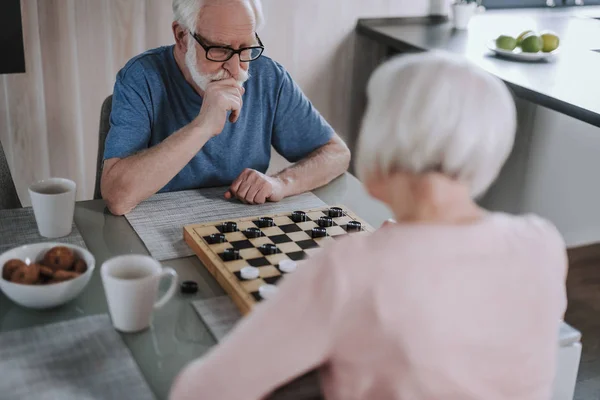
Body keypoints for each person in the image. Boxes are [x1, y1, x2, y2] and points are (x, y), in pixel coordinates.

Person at [168, 52, 568, 400]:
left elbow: (202, 392)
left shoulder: (350, 268)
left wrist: (376, 260)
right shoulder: (542, 243)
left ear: (381, 142)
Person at [100, 0, 350, 215]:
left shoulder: (268, 77)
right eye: (219, 50)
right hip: (152, 230)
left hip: (237, 230)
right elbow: (117, 198)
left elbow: (337, 154)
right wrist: (202, 126)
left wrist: (280, 183)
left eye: (245, 48)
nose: (236, 68)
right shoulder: (141, 77)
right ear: (182, 37)